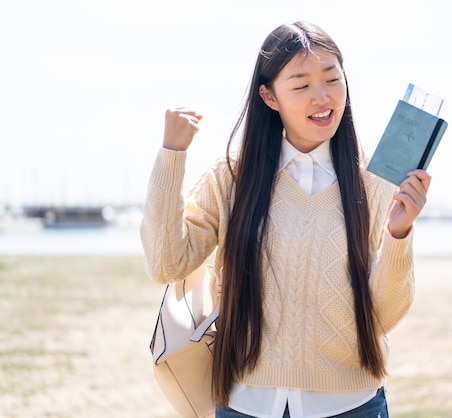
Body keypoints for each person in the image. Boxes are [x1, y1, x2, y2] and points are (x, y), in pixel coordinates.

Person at [141, 21, 431, 418]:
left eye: (332, 79)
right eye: (301, 85)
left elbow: (384, 317)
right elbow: (166, 263)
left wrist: (400, 233)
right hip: (245, 404)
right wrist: (171, 155)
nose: (322, 97)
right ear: (269, 96)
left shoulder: (376, 184)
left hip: (352, 405)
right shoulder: (232, 178)